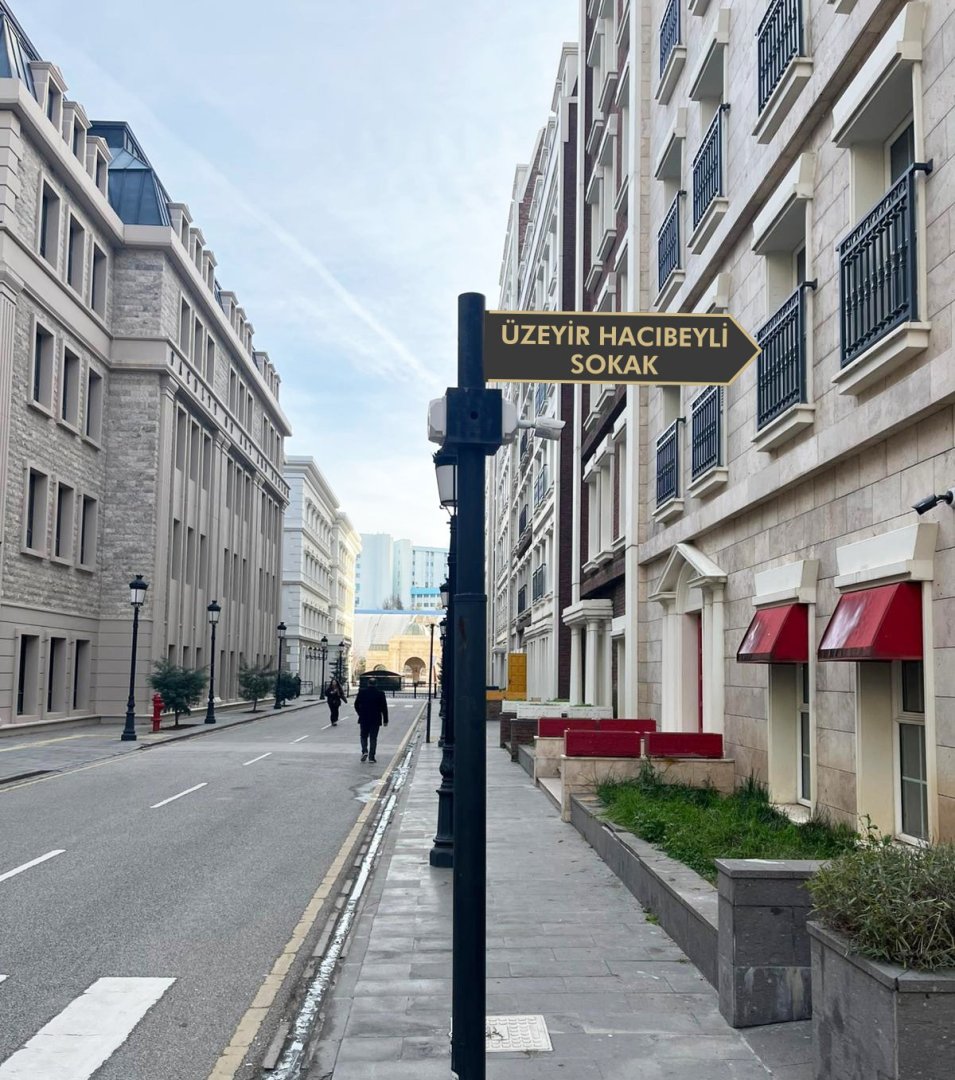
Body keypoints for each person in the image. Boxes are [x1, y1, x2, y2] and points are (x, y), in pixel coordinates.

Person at [353, 680, 388, 763]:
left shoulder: (362, 692)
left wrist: (360, 713)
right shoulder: (380, 693)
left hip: (364, 717)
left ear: (368, 683)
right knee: (373, 738)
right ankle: (371, 757)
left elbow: (356, 704)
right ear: (376, 684)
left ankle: (364, 751)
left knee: (363, 736)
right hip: (376, 718)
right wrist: (385, 720)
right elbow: (384, 707)